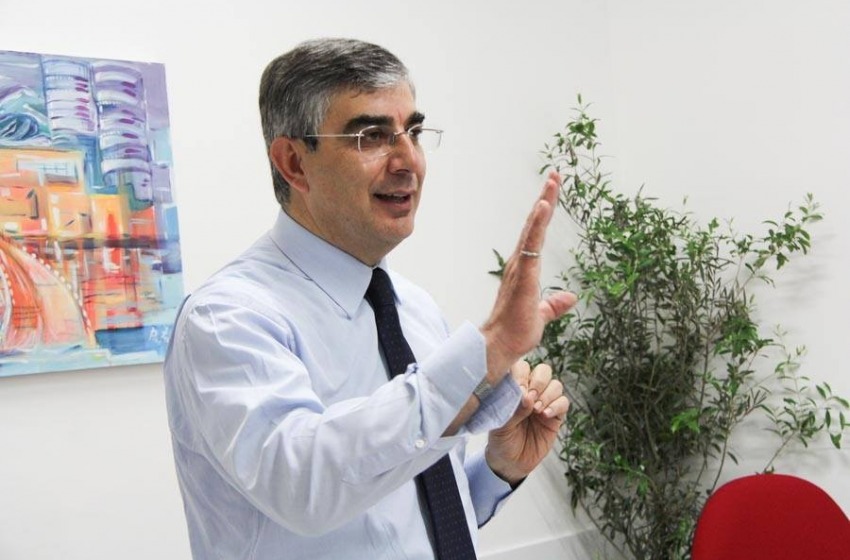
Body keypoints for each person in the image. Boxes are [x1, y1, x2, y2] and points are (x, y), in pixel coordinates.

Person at [163, 37, 577, 560]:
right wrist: (489, 349)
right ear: (293, 163)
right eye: (372, 136)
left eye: (414, 132)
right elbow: (305, 488)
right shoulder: (228, 318)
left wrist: (499, 470)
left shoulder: (414, 308)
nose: (409, 162)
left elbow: (401, 526)